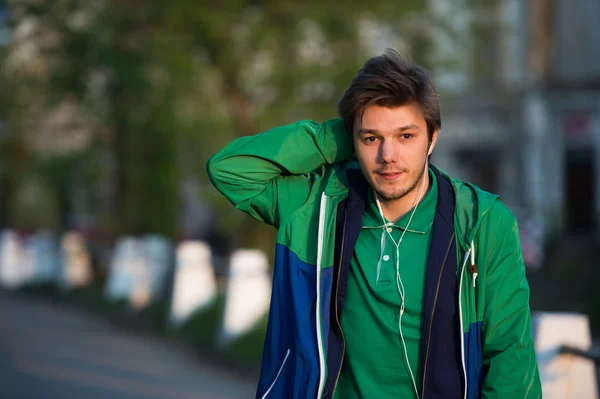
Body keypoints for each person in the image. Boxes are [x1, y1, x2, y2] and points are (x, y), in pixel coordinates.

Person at [207, 49, 541, 399]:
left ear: (433, 138)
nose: (388, 156)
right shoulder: (316, 207)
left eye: (406, 136)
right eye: (371, 139)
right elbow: (229, 170)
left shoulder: (482, 222)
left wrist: (363, 131)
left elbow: (510, 359)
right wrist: (336, 136)